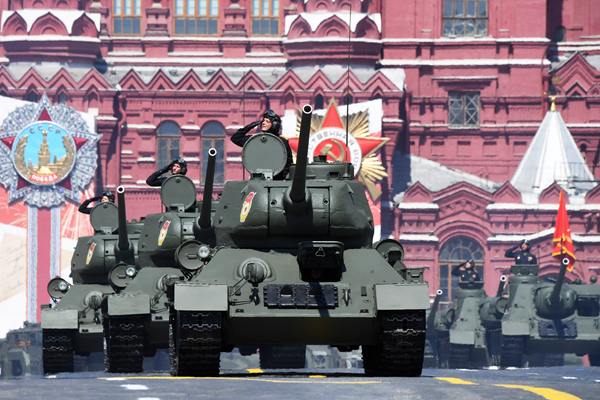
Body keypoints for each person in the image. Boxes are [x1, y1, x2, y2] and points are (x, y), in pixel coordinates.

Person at [231, 110, 293, 180]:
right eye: (263, 121)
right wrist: (249, 127)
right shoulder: (256, 140)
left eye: (267, 121)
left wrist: (284, 178)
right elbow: (235, 138)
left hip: (277, 179)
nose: (263, 123)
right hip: (258, 178)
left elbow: (288, 161)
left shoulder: (281, 141)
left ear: (275, 125)